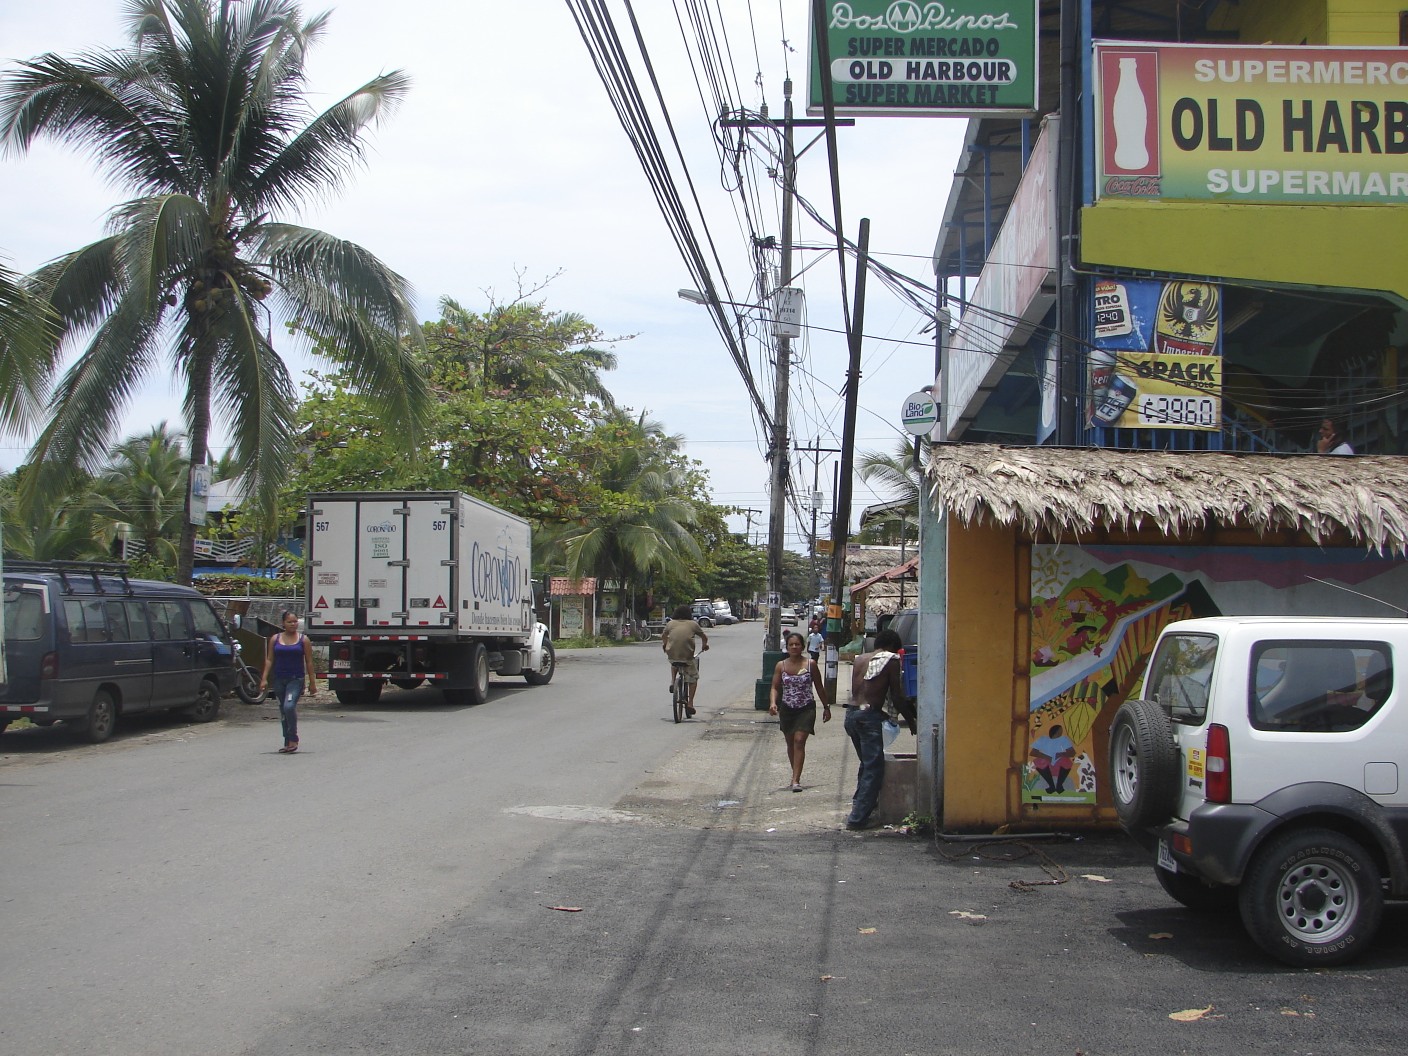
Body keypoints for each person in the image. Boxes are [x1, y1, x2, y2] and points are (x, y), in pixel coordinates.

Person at [844, 628, 917, 830]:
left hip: (851, 715)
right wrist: (911, 719)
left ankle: (863, 807)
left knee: (866, 765)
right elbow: (897, 695)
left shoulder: (860, 659)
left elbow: (865, 690)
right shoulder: (891, 659)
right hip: (868, 718)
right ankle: (858, 819)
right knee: (873, 769)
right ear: (893, 646)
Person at [769, 631, 830, 791]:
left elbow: (819, 687)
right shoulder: (781, 666)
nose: (794, 647)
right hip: (787, 708)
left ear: (803, 646)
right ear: (787, 647)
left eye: (797, 644)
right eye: (791, 645)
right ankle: (794, 773)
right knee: (790, 742)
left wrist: (826, 707)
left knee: (799, 740)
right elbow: (775, 687)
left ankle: (796, 780)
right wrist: (773, 703)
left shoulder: (811, 664)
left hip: (806, 708)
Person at [259, 609, 316, 754]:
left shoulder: (303, 640)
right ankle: (287, 741)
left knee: (289, 707)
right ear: (283, 623)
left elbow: (309, 662)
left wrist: (312, 682)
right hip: (279, 680)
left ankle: (293, 738)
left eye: (295, 621)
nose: (293, 624)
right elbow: (269, 659)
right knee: (283, 711)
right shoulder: (275, 639)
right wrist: (264, 679)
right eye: (289, 622)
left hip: (295, 679)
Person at [662, 603, 709, 717]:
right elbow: (704, 637)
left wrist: (665, 645)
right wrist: (704, 646)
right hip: (687, 656)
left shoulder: (670, 623)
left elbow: (663, 636)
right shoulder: (693, 624)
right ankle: (691, 703)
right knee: (693, 678)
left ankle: (673, 682)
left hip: (672, 654)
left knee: (674, 662)